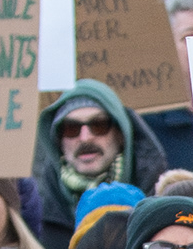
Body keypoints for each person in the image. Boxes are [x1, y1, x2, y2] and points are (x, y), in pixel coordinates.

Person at [34, 83, 169, 229]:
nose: (85, 138)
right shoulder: (34, 216)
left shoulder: (163, 205)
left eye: (99, 125)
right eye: (71, 128)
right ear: (58, 141)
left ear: (121, 135)